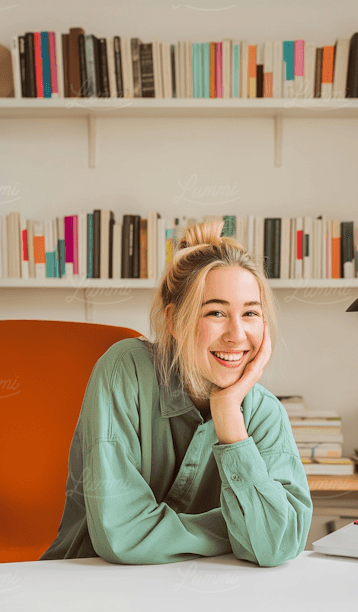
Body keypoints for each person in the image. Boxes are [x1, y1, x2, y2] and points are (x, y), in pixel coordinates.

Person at [41, 220, 312, 566]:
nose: (237, 333)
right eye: (215, 312)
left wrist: (228, 415)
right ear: (173, 319)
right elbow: (122, 538)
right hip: (92, 587)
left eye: (251, 314)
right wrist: (236, 531)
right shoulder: (124, 371)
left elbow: (278, 545)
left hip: (202, 597)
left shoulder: (264, 412)